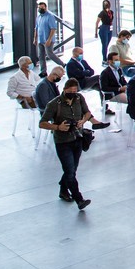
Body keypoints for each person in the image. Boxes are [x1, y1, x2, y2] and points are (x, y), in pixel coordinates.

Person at [40, 78, 106, 209]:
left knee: (72, 170)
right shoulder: (54, 104)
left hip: (78, 139)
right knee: (70, 171)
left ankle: (63, 190)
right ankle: (79, 199)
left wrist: (82, 120)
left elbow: (87, 113)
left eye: (75, 91)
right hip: (63, 142)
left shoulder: (79, 98)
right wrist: (58, 127)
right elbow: (42, 123)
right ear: (64, 90)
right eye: (70, 91)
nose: (73, 93)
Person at [34, 0, 61, 66]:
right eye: (39, 8)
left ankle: (62, 64)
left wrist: (49, 40)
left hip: (48, 39)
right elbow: (36, 28)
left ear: (45, 8)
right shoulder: (38, 17)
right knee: (41, 56)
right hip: (41, 40)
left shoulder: (50, 16)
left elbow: (53, 29)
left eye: (42, 7)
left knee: (50, 54)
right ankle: (43, 71)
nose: (40, 9)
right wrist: (35, 39)